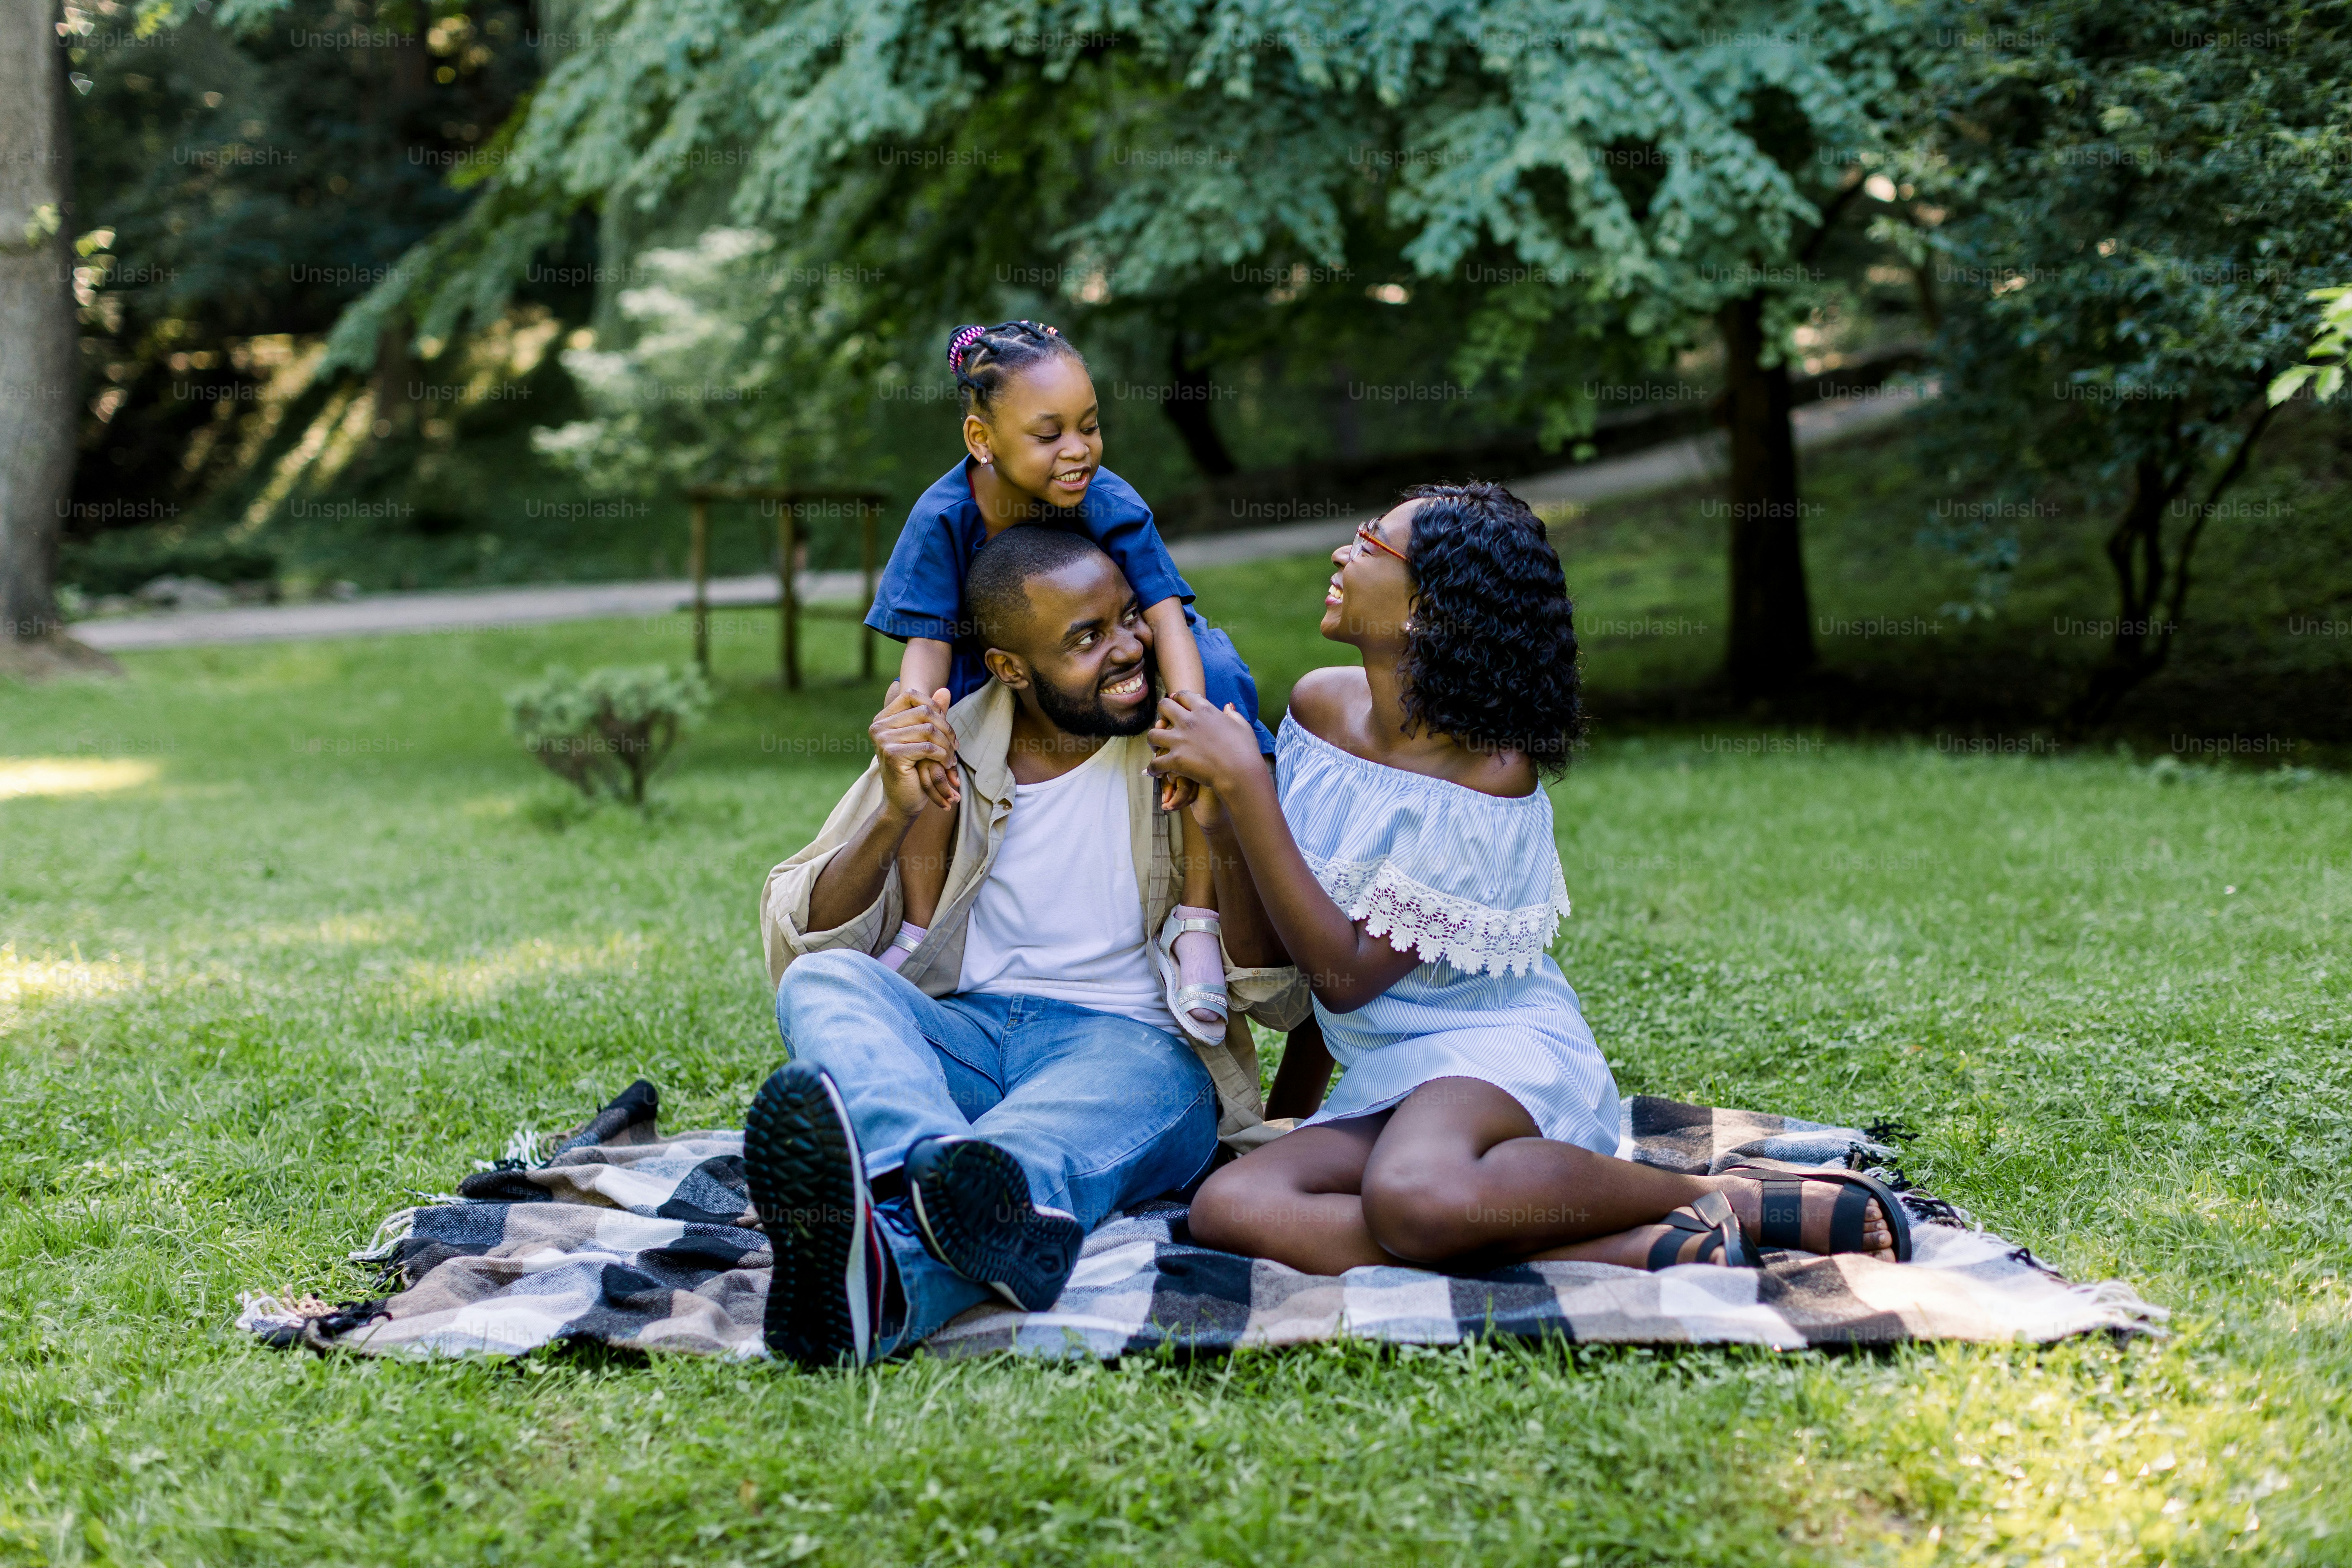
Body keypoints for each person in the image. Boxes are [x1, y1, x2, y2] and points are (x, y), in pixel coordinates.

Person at [1145, 481, 1914, 1275]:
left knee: (1412, 1196)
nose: (1341, 554)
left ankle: (1719, 1195)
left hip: (1489, 1058)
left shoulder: (1486, 774)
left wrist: (1249, 789)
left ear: (1426, 612)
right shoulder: (1314, 708)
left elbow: (1344, 980)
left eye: (1371, 546)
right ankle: (1630, 1246)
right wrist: (1224, 829)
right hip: (1389, 1079)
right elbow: (1281, 956)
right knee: (1231, 1205)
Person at [749, 527, 1311, 1367]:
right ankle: (925, 1180)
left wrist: (1224, 819)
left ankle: (893, 1220)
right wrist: (893, 813)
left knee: (1039, 1145)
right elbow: (806, 936)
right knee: (826, 981)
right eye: (1085, 639)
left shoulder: (1188, 742)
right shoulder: (951, 740)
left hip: (1134, 1055)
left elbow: (1279, 995)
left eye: (1128, 618)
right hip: (964, 1041)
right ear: (1011, 666)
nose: (1127, 650)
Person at [867, 320, 1269, 1039]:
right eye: (1049, 435)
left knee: (1209, 689)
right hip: (994, 663)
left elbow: (1166, 617)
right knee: (933, 728)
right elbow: (926, 644)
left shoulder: (1107, 497)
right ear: (981, 440)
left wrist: (1185, 717)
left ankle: (1195, 921)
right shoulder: (943, 517)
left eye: (1089, 425)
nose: (1078, 449)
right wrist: (918, 718)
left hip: (1123, 645)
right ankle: (922, 928)